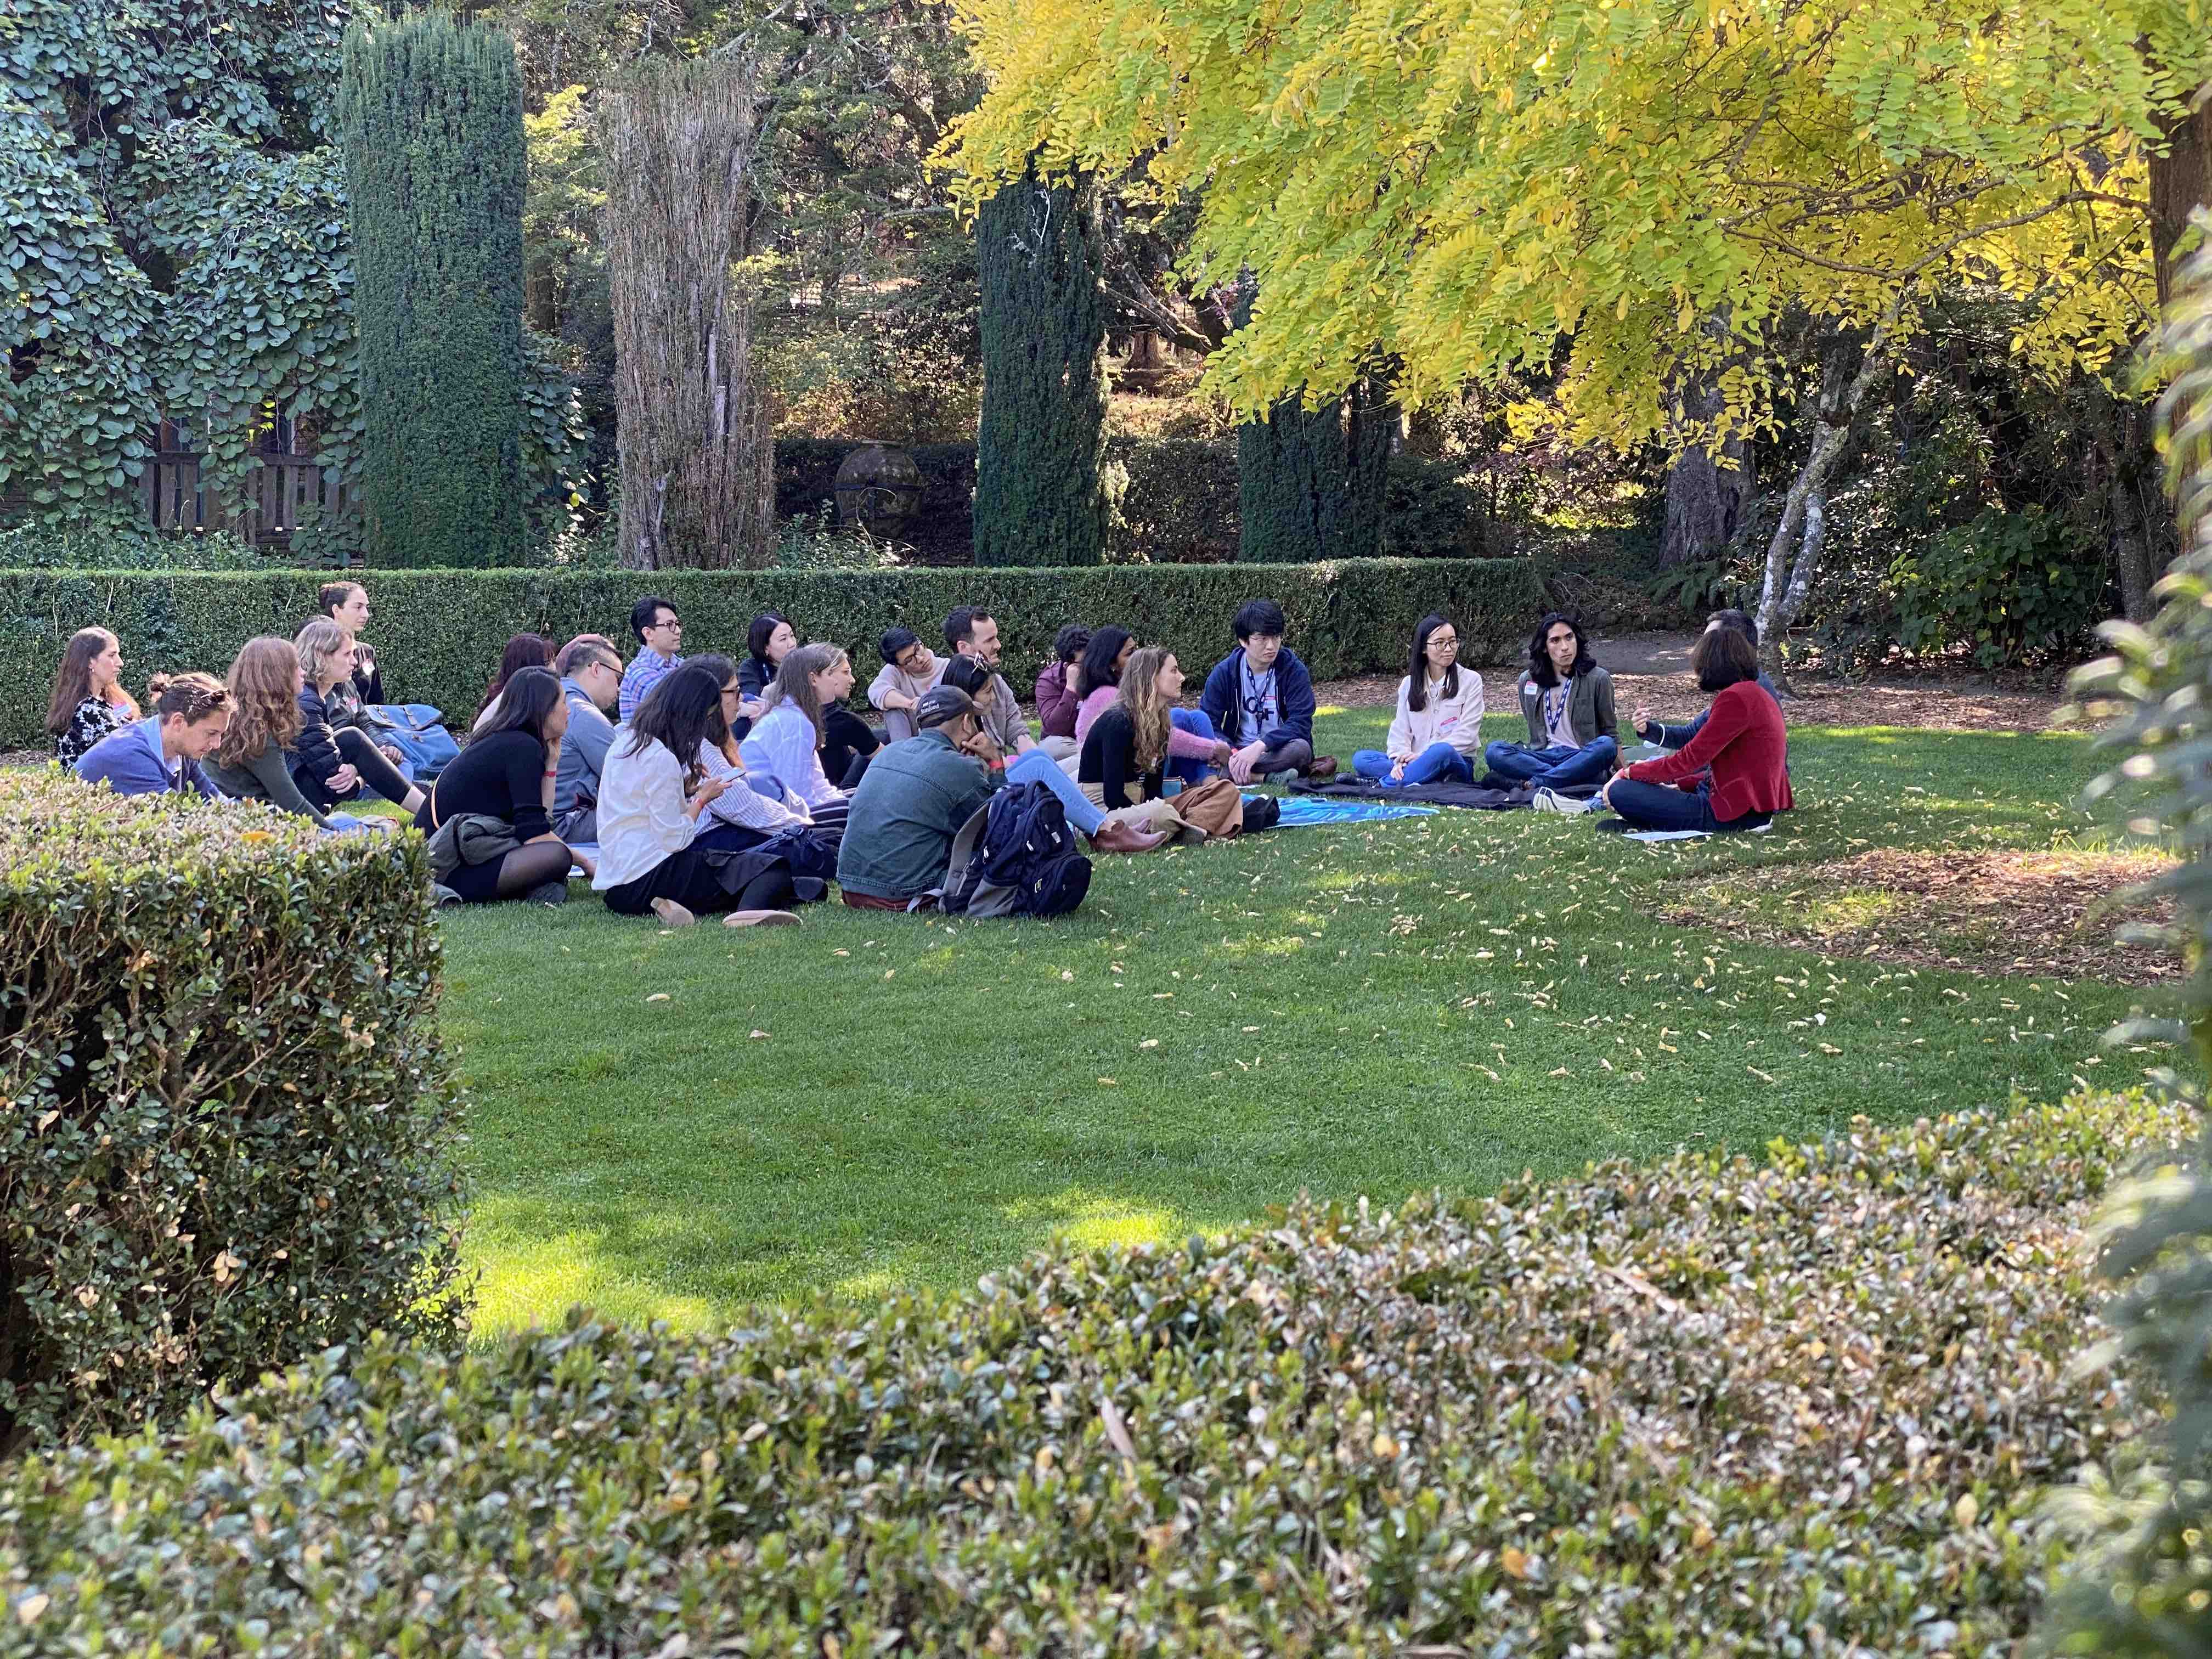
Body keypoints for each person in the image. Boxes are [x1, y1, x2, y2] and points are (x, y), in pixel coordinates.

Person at [594, 663, 825, 928]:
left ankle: (670, 906)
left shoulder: (626, 743)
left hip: (618, 884)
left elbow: (640, 809)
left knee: (784, 879)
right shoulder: (662, 759)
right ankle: (746, 916)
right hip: (650, 874)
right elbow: (676, 839)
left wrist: (684, 791)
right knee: (773, 868)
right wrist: (703, 798)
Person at [939, 656, 1150, 849]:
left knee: (1036, 758)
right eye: (987, 692)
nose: (993, 698)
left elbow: (1015, 738)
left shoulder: (970, 724)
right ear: (966, 696)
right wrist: (995, 758)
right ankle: (1105, 831)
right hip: (977, 809)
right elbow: (977, 785)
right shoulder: (958, 733)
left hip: (990, 793)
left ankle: (1103, 828)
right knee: (1039, 767)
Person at [1599, 625, 1792, 834]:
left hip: (1733, 815)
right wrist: (1679, 786)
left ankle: (1650, 819)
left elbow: (1690, 759)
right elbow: (1732, 767)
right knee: (1648, 790)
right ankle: (1649, 819)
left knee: (1621, 791)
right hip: (1748, 810)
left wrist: (1628, 773)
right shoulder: (1756, 694)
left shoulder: (1736, 698)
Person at [414, 666, 582, 904]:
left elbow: (540, 820)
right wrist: (587, 864)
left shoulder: (515, 741)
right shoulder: (521, 747)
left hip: (469, 852)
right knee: (559, 856)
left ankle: (529, 886)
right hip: (444, 864)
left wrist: (552, 764)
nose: (569, 710)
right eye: (564, 702)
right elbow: (535, 836)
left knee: (551, 859)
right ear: (545, 708)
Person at [204, 636, 374, 832]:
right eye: (296, 667)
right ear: (276, 676)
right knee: (355, 828)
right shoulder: (258, 734)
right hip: (247, 824)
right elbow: (293, 805)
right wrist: (336, 838)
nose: (303, 672)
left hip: (246, 817)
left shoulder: (251, 718)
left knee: (353, 822)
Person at [317, 579, 456, 781]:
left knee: (402, 756)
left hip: (368, 729)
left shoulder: (366, 652)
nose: (366, 614)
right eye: (358, 607)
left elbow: (374, 703)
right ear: (336, 610)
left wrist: (380, 743)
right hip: (340, 740)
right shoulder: (318, 655)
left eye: (367, 607)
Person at [291, 619, 426, 816]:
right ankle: (429, 813)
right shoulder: (307, 704)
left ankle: (427, 809)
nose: (355, 662)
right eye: (347, 654)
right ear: (321, 657)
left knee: (355, 741)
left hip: (299, 794)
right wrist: (360, 771)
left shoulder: (310, 696)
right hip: (287, 806)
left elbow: (363, 719)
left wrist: (358, 767)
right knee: (352, 739)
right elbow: (343, 787)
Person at [1071, 624, 1231, 786]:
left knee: (1198, 717)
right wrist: (1213, 749)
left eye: (1136, 650)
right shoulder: (1108, 695)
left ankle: (1210, 783)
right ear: (1111, 663)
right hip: (1112, 775)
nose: (1137, 657)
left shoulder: (1122, 691)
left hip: (1141, 763)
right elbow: (1164, 737)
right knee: (1178, 717)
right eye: (1129, 653)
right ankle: (1210, 786)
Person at [1484, 612, 1620, 798]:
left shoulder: (1598, 678)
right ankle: (1569, 779)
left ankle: (1536, 783)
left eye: (1569, 638)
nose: (1565, 647)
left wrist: (1626, 772)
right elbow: (1532, 723)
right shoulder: (1528, 680)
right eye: (1555, 641)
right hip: (1542, 755)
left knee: (1606, 745)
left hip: (1580, 755)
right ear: (1545, 647)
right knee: (1494, 751)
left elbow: (1610, 733)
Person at [1199, 599, 1328, 784]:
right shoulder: (1226, 672)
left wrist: (1261, 746)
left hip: (1277, 749)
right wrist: (1231, 751)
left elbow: (1301, 723)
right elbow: (1207, 720)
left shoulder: (1293, 670)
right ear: (1243, 641)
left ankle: (1233, 772)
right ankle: (1260, 776)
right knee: (1206, 750)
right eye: (1262, 639)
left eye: (1276, 637)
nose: (1271, 646)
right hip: (1237, 750)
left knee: (1301, 750)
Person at [741, 611, 881, 782]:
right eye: (783, 639)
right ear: (812, 678)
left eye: (792, 636)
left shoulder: (796, 717)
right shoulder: (799, 722)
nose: (792, 644)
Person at [1352, 613, 1486, 785]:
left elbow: (1467, 735)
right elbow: (1400, 731)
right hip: (1413, 759)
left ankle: (1382, 785)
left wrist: (1423, 756)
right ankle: (1422, 778)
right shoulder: (1409, 684)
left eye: (1453, 641)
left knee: (1441, 750)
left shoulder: (1471, 680)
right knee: (1362, 758)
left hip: (1454, 760)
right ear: (1424, 648)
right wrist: (1399, 760)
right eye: (1440, 643)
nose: (1449, 648)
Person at [740, 642, 858, 830]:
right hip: (777, 819)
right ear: (813, 679)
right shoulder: (793, 723)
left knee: (863, 796)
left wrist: (842, 799)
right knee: (862, 809)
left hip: (788, 808)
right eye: (829, 674)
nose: (834, 682)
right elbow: (798, 798)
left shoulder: (796, 716)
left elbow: (818, 784)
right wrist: (845, 807)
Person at [1631, 608, 1782, 747]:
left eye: (1709, 642)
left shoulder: (1743, 696)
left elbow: (1692, 758)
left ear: (1730, 644)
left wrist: (1636, 772)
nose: (1701, 648)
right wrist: (1648, 729)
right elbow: (1691, 735)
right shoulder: (1743, 685)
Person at [73, 671, 228, 798]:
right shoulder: (132, 757)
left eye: (221, 734)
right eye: (211, 733)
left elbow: (215, 802)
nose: (217, 745)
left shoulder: (183, 751)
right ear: (178, 722)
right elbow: (176, 817)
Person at [1081, 646, 1186, 812]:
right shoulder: (1117, 723)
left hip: (1137, 804)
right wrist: (1152, 811)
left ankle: (1184, 821)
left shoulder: (1161, 723)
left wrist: (1154, 807)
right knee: (1163, 814)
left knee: (1221, 791)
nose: (1182, 678)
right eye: (1174, 671)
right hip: (1102, 811)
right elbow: (1113, 798)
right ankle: (1185, 822)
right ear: (1152, 677)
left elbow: (1154, 791)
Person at [552, 633, 623, 843]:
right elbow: (626, 779)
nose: (619, 688)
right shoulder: (584, 714)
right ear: (596, 669)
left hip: (542, 822)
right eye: (618, 678)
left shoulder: (554, 699)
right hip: (566, 826)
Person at [943, 606, 1036, 757]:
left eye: (996, 637)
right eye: (989, 640)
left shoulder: (997, 682)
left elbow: (1017, 731)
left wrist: (1035, 759)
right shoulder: (948, 696)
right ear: (963, 647)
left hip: (1007, 768)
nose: (998, 645)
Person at [47, 626, 140, 770]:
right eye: (112, 655)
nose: (120, 663)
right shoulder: (87, 712)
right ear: (90, 662)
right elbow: (132, 753)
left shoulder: (107, 700)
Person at [867, 626, 946, 743]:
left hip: (944, 736)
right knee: (893, 707)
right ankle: (903, 753)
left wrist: (926, 705)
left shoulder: (948, 667)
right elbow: (876, 691)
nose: (920, 659)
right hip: (911, 739)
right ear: (900, 667)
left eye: (917, 649)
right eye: (909, 660)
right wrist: (911, 704)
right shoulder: (895, 671)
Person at [619, 595, 684, 722]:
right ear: (648, 633)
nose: (677, 631)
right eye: (669, 625)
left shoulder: (681, 665)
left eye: (677, 624)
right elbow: (681, 708)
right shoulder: (638, 672)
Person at [472, 634, 555, 732]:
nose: (554, 668)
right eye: (547, 663)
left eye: (554, 660)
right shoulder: (514, 704)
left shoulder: (512, 697)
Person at [1035, 622, 1090, 758]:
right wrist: (1071, 688)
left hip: (1094, 739)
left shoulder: (1100, 670)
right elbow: (1053, 729)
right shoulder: (1049, 680)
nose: (1090, 665)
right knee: (1051, 748)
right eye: (1084, 662)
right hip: (1067, 743)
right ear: (1067, 665)